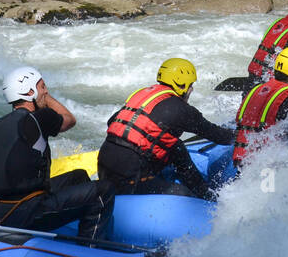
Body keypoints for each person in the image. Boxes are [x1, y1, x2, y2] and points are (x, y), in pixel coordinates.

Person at [0, 66, 115, 241]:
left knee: (78, 176)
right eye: (42, 87)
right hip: (31, 211)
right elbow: (69, 120)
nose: (46, 91)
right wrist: (44, 98)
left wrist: (38, 94)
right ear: (29, 91)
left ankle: (86, 223)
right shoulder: (40, 118)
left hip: (4, 212)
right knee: (104, 190)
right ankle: (90, 249)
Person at [99, 58, 236, 201]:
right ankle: (206, 199)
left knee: (176, 147)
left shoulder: (143, 95)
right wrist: (244, 135)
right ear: (182, 85)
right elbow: (219, 136)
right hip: (130, 179)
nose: (191, 90)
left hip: (104, 166)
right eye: (191, 85)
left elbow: (112, 123)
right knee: (183, 196)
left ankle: (204, 192)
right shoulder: (181, 110)